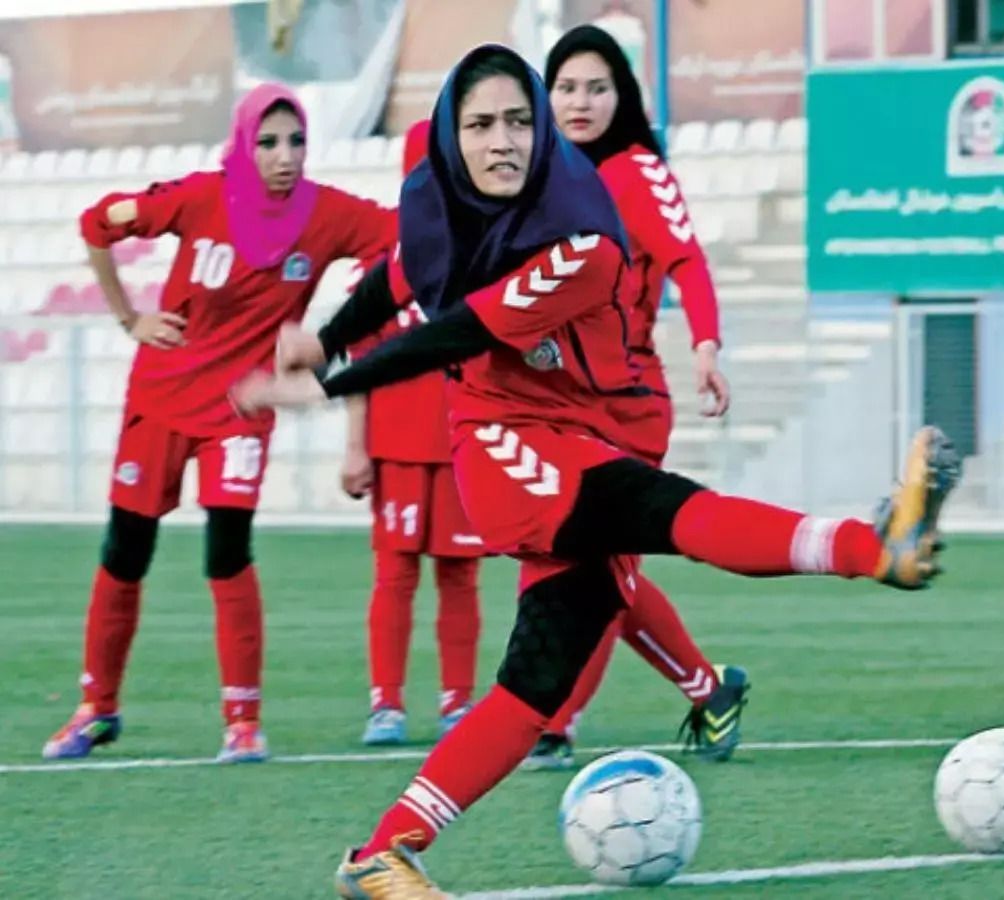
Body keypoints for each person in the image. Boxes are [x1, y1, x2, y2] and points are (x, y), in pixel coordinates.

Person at [228, 45, 956, 898]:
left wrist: (326, 380)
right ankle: (878, 547)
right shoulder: (441, 207)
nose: (500, 141)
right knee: (674, 512)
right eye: (479, 125)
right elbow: (397, 278)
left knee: (534, 682)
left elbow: (456, 330)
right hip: (509, 446)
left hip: (571, 433)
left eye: (517, 121)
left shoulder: (585, 241)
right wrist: (324, 341)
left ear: (540, 132)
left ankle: (382, 854)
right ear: (451, 136)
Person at [40, 84, 395, 763]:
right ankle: (96, 709)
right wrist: (129, 318)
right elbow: (97, 222)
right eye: (268, 142)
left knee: (227, 553)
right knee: (125, 552)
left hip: (240, 408)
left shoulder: (327, 214)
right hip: (160, 397)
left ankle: (243, 721)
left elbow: (405, 241)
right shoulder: (199, 196)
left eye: (295, 141)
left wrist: (335, 327)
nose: (284, 156)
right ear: (243, 143)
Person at [527, 23, 742, 770]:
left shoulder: (633, 170)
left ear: (622, 98)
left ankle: (551, 721)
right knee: (598, 569)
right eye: (565, 87)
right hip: (557, 403)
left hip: (627, 402)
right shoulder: (539, 179)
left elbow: (688, 257)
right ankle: (708, 691)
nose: (580, 102)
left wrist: (707, 346)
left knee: (584, 566)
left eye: (597, 87)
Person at [341, 119, 484, 746]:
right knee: (393, 575)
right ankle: (387, 705)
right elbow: (356, 355)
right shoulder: (386, 262)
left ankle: (457, 702)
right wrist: (355, 445)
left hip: (464, 441)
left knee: (460, 575)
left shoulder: (488, 255)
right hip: (395, 443)